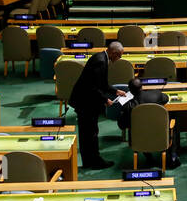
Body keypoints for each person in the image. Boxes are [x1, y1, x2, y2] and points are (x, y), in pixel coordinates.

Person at [68, 41, 126, 169]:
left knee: (87, 133)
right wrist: (105, 100)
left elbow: (102, 83)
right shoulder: (101, 62)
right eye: (119, 56)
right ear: (114, 53)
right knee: (90, 133)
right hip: (85, 103)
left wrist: (115, 91)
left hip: (86, 101)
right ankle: (94, 162)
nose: (119, 59)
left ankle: (89, 161)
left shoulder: (100, 57)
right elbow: (93, 87)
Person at [116, 76, 179, 167]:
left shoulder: (128, 106)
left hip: (140, 139)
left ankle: (149, 157)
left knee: (139, 130)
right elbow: (166, 98)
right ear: (142, 87)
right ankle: (173, 155)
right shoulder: (157, 94)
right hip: (161, 134)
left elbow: (121, 125)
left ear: (130, 91)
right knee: (173, 119)